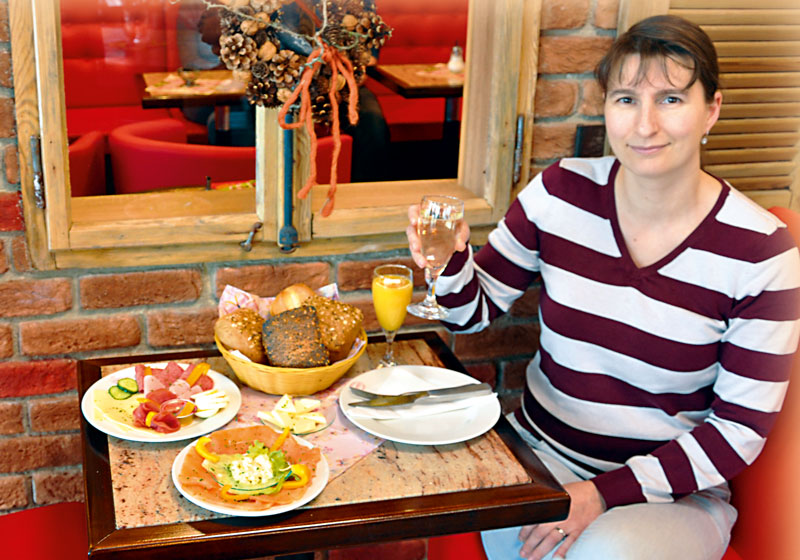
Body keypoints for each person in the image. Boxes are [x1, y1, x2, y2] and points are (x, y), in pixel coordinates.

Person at [407, 15, 800, 560]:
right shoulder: (560, 193)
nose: (644, 126)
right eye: (625, 99)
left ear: (711, 110)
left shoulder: (761, 252)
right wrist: (450, 260)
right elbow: (470, 315)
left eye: (670, 100)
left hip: (672, 497)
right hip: (539, 459)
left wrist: (600, 494)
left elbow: (739, 430)